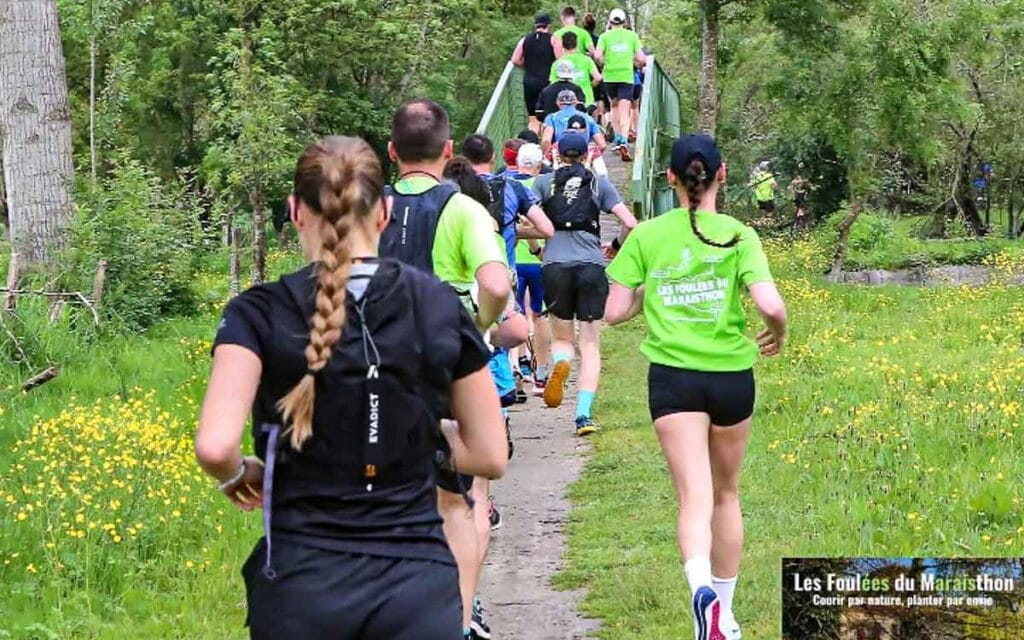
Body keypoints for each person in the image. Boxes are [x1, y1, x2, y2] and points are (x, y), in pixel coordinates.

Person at [196, 136, 508, 640]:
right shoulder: (438, 305)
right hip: (415, 587)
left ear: (295, 210)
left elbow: (214, 446)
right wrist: (416, 432)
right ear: (384, 211)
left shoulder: (256, 312)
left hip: (300, 588)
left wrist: (243, 470)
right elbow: (490, 455)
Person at [604, 134, 788, 640]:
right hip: (731, 377)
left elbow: (614, 311)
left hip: (673, 380)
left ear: (670, 178)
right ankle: (724, 617)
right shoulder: (738, 234)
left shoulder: (646, 236)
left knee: (693, 497)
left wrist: (654, 289)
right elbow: (770, 305)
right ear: (721, 175)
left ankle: (699, 591)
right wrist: (778, 332)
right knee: (727, 493)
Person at [378, 99, 512, 640]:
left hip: (377, 364)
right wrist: (478, 326)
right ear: (449, 151)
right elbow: (499, 284)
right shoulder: (462, 210)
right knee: (463, 499)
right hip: (445, 364)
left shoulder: (370, 208)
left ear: (391, 154)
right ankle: (458, 619)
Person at [531, 133, 637, 435]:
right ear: (587, 154)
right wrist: (615, 245)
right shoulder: (597, 183)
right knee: (589, 343)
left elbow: (530, 223)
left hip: (555, 266)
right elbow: (629, 222)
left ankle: (561, 363)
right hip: (591, 265)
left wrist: (538, 248)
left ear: (556, 153)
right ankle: (583, 415)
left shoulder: (542, 184)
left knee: (562, 339)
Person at [510, 143, 552, 395]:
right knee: (540, 315)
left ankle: (518, 364)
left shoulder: (505, 185)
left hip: (513, 260)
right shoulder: (542, 187)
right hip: (538, 261)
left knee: (513, 313)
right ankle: (541, 371)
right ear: (538, 166)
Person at [595, 8, 646, 160]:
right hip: (626, 75)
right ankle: (624, 139)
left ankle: (617, 138)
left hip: (610, 76)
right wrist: (634, 63)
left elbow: (597, 55)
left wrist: (605, 63)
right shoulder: (632, 36)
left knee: (614, 106)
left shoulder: (604, 36)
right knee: (625, 110)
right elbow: (642, 58)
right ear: (624, 22)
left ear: (610, 22)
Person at [512, 13, 557, 134]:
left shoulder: (525, 39)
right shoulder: (553, 39)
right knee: (548, 115)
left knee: (532, 117)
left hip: (529, 81)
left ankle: (532, 143)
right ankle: (546, 144)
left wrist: (527, 65)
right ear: (549, 25)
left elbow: (515, 59)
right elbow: (560, 59)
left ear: (536, 25)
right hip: (547, 82)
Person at [548, 32, 602, 114]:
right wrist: (591, 85)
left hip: (565, 102)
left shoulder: (557, 63)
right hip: (586, 101)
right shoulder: (586, 59)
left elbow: (553, 83)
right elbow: (598, 77)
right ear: (576, 45)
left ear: (563, 45)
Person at [789, 164, 812, 230]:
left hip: (803, 199)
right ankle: (796, 224)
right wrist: (793, 191)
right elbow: (792, 185)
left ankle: (805, 224)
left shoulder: (805, 181)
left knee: (804, 211)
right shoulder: (796, 180)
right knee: (796, 210)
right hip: (797, 198)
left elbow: (806, 186)